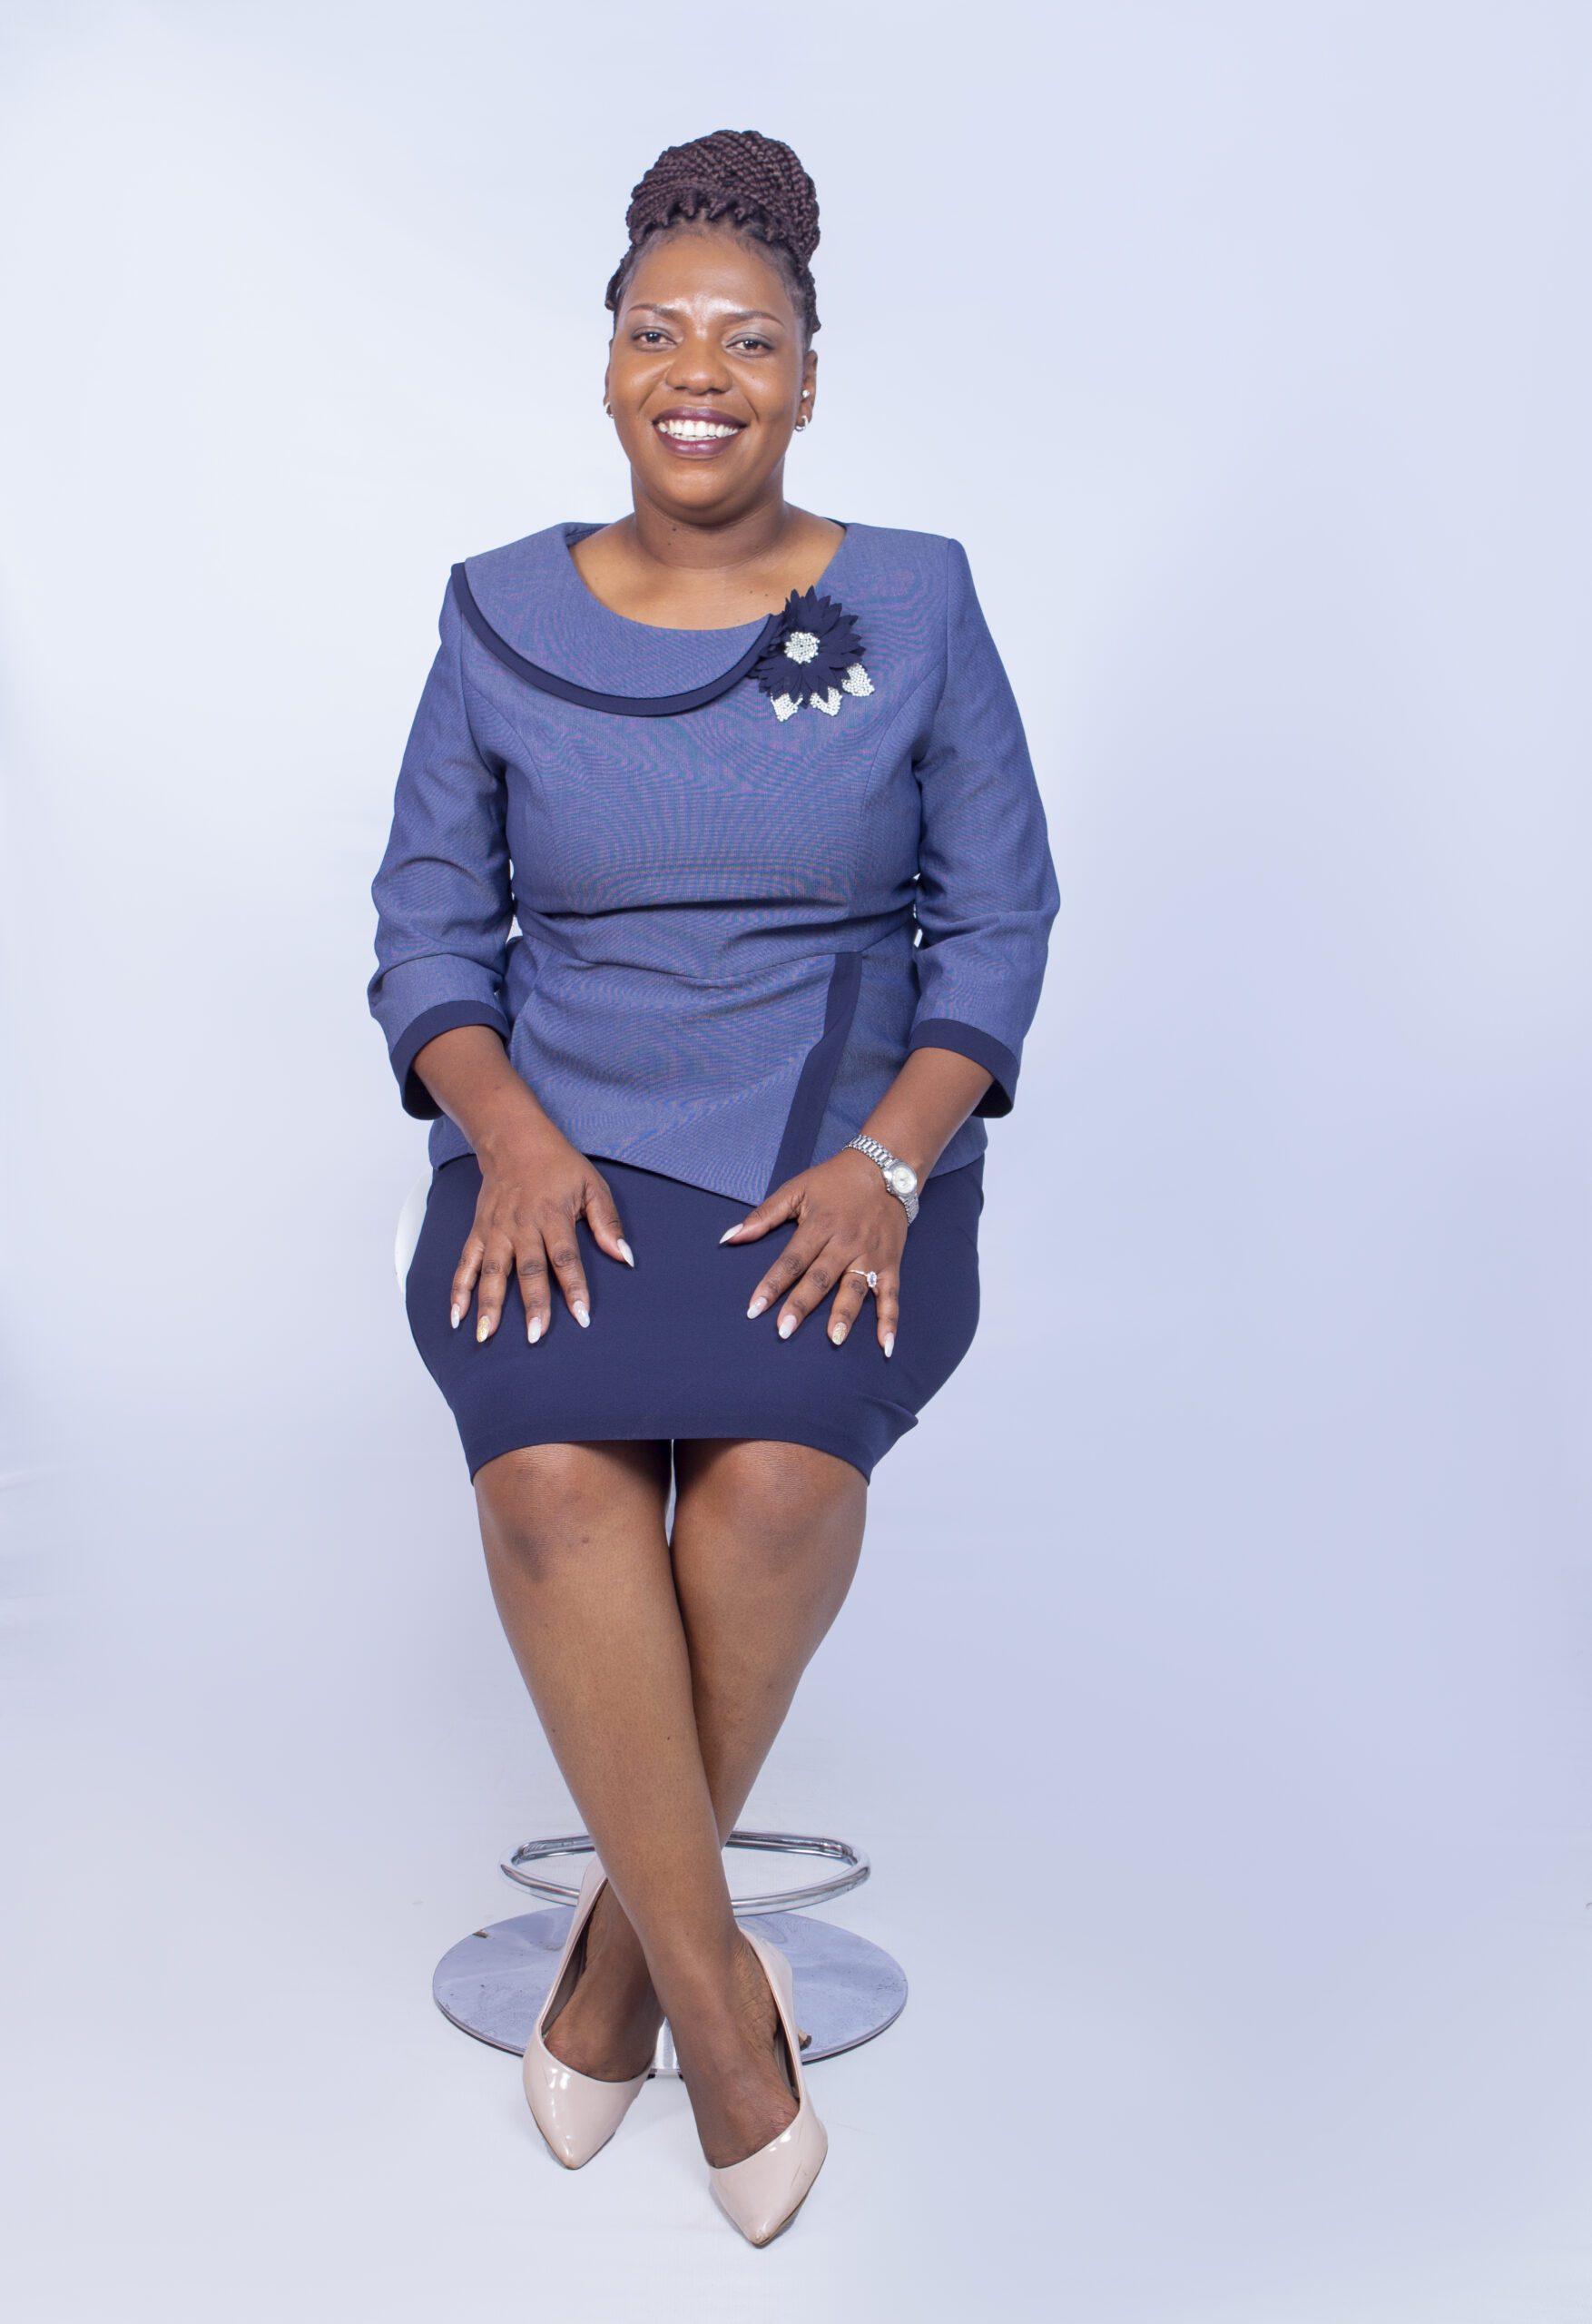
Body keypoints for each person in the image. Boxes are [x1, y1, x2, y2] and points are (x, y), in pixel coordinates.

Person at [367, 126, 1059, 2245]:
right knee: (547, 1477)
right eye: (658, 332)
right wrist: (509, 1131)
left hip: (834, 1155)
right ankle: (723, 2021)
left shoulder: (914, 597)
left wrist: (888, 1162)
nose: (701, 371)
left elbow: (997, 923)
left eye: (747, 340)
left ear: (808, 377)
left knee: (766, 1484)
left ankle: (614, 1972)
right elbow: (424, 930)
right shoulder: (493, 609)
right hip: (551, 1147)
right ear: (606, 366)